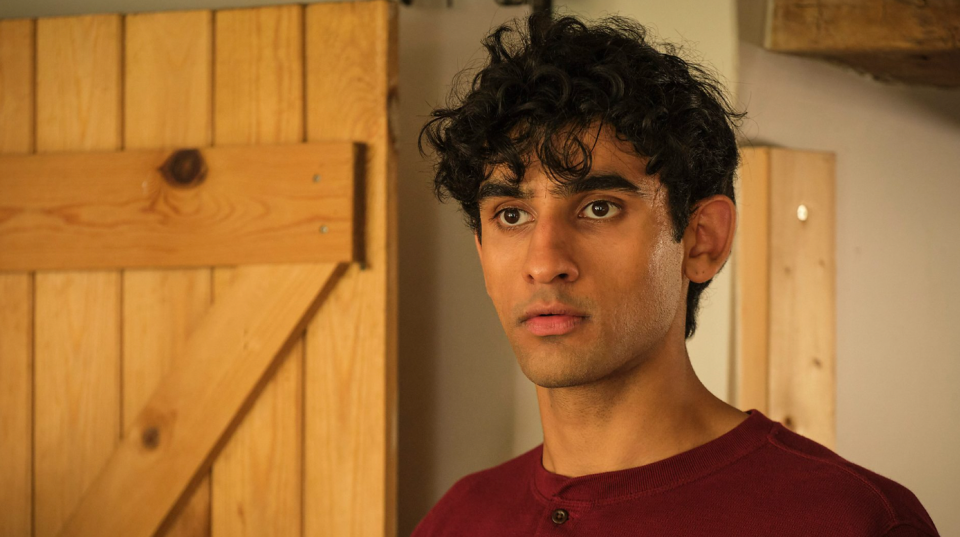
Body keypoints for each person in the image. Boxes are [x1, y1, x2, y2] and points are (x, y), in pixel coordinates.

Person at [412, 11, 939, 537]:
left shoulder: (849, 520)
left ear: (702, 239)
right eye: (512, 215)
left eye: (599, 208)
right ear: (482, 252)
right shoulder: (457, 519)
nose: (545, 262)